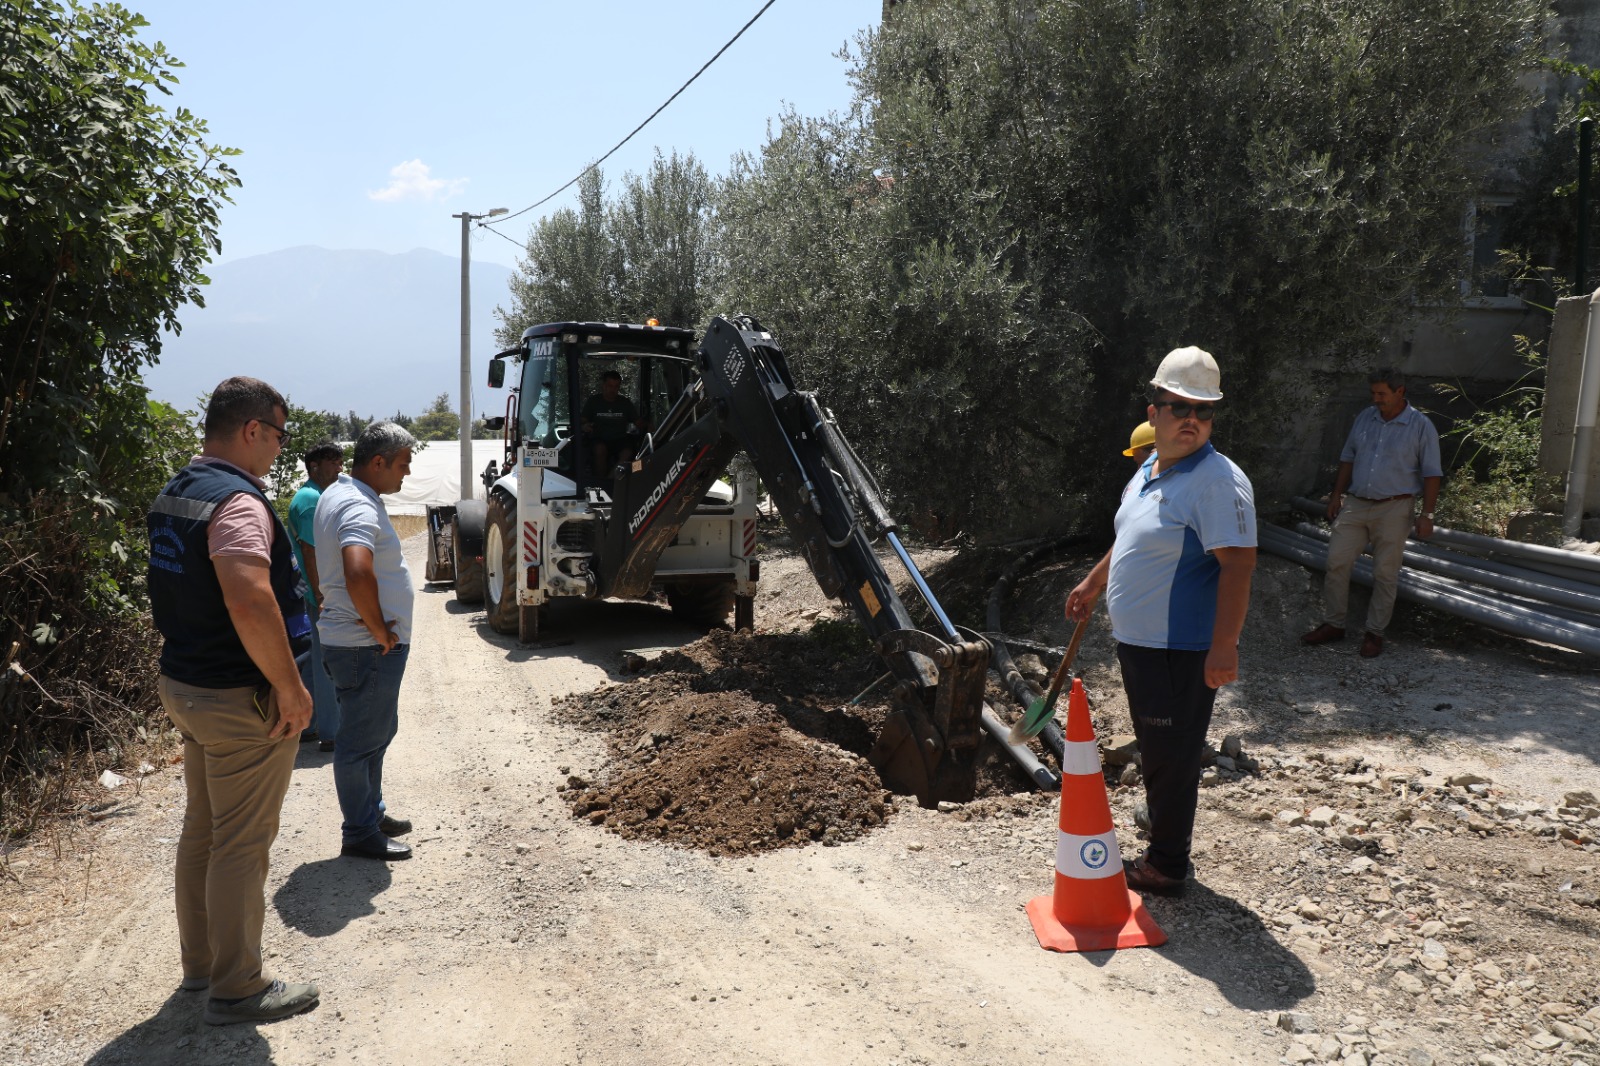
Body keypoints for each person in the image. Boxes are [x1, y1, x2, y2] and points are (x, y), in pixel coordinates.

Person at [145, 376, 321, 1025]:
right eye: (277, 437)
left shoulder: (177, 491)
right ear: (252, 430)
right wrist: (291, 687)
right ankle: (238, 986)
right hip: (237, 699)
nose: (278, 450)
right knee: (242, 844)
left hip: (185, 688)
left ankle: (201, 968)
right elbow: (249, 599)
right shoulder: (239, 504)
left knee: (204, 830)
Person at [1066, 346, 1256, 897]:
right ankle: (1163, 825)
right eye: (1179, 407)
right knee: (1157, 748)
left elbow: (1239, 565)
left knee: (1171, 755)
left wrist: (1225, 645)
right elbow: (1130, 536)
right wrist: (1093, 582)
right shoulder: (1152, 467)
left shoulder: (1217, 482)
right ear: (1154, 412)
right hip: (1143, 643)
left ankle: (1168, 865)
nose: (1191, 420)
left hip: (1181, 648)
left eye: (1204, 410)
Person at [314, 421, 417, 861]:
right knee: (359, 741)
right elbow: (357, 570)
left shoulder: (336, 494)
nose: (406, 474)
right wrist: (380, 631)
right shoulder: (357, 506)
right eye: (402, 464)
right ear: (377, 462)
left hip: (354, 641)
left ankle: (370, 813)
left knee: (376, 731)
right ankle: (359, 832)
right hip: (364, 645)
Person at [1301, 368, 1442, 659]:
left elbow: (1431, 473)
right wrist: (1337, 494)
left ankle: (1374, 633)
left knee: (1385, 573)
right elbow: (1348, 457)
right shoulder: (1366, 417)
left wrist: (1427, 514)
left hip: (1395, 506)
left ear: (1399, 391)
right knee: (1337, 561)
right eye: (1373, 393)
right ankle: (1334, 623)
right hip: (1356, 503)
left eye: (1382, 394)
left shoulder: (1420, 425)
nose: (1376, 399)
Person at [287, 440, 344, 751]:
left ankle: (308, 727)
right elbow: (310, 550)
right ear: (314, 466)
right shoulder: (311, 500)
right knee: (325, 662)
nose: (339, 468)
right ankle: (332, 732)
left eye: (339, 461)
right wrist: (322, 596)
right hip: (314, 593)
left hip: (308, 592)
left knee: (311, 660)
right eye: (333, 463)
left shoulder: (316, 496)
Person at [581, 369, 642, 480]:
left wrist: (649, 425)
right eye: (610, 386)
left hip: (620, 439)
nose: (613, 390)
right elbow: (583, 420)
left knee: (628, 452)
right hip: (599, 438)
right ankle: (601, 482)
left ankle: (610, 481)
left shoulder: (625, 403)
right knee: (600, 450)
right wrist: (585, 425)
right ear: (603, 385)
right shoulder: (594, 401)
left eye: (616, 386)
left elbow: (638, 422)